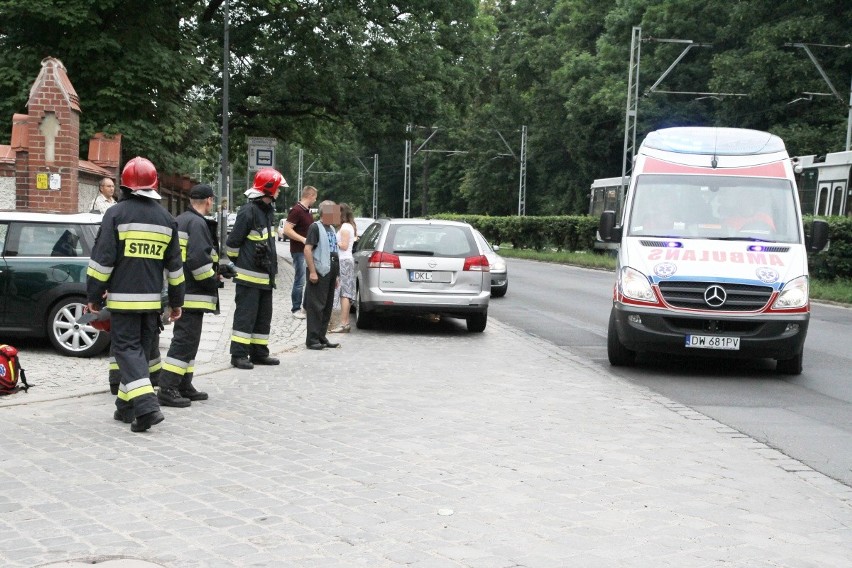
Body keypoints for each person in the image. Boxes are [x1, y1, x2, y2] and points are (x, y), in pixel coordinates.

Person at [86, 157, 185, 433]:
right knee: (139, 354)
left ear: (125, 185)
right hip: (152, 303)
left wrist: (93, 295)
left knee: (126, 351)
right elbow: (175, 269)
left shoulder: (115, 214)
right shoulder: (167, 219)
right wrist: (177, 303)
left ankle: (146, 408)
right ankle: (125, 407)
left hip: (123, 301)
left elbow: (102, 261)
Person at [157, 184, 225, 407]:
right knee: (184, 341)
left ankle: (184, 384)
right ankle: (167, 388)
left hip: (184, 290)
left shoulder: (182, 219)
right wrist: (213, 279)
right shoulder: (197, 223)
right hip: (194, 293)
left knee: (190, 341)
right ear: (208, 201)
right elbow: (198, 259)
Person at [226, 168, 284, 369]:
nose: (279, 192)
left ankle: (259, 353)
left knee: (263, 317)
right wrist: (241, 263)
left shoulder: (268, 211)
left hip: (266, 277)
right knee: (245, 317)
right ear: (269, 189)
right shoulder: (248, 211)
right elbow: (232, 245)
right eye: (278, 188)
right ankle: (239, 355)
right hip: (249, 277)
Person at [304, 200, 341, 350]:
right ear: (325, 213)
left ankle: (321, 336)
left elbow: (335, 251)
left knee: (327, 305)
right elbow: (307, 250)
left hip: (331, 270)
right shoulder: (315, 227)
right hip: (319, 271)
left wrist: (337, 275)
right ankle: (312, 339)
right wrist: (312, 271)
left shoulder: (331, 228)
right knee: (316, 306)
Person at [283, 185, 318, 319]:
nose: (315, 200)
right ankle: (296, 308)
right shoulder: (297, 210)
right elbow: (287, 230)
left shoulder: (307, 211)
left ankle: (305, 307)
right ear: (309, 196)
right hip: (299, 251)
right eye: (314, 197)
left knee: (307, 279)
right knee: (300, 280)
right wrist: (303, 239)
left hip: (307, 251)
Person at [329, 204, 356, 333]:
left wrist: (333, 242)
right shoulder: (347, 226)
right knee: (344, 291)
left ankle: (344, 323)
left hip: (344, 260)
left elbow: (344, 246)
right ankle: (344, 322)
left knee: (345, 292)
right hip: (345, 260)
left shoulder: (345, 228)